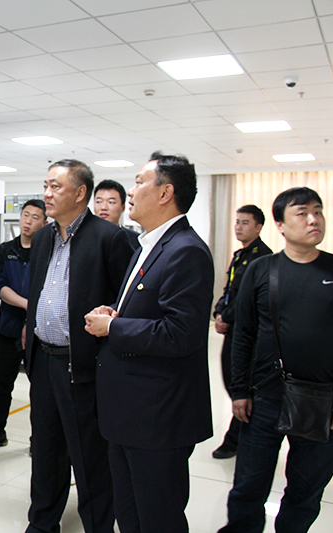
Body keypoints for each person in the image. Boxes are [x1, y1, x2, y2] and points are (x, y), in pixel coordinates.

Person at [85, 152, 214, 533]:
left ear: (165, 193)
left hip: (157, 417)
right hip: (130, 412)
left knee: (158, 517)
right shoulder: (149, 245)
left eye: (140, 181)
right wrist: (115, 313)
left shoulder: (185, 250)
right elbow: (147, 309)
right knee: (130, 515)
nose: (131, 190)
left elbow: (181, 333)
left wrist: (114, 328)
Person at [25, 160, 134, 533]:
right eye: (45, 185)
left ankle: (98, 526)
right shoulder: (43, 238)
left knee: (89, 457)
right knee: (45, 451)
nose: (47, 193)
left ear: (80, 192)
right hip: (43, 362)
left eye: (55, 186)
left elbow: (126, 304)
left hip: (83, 366)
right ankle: (42, 523)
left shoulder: (109, 238)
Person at [219, 187, 333, 533]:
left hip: (323, 401)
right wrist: (240, 391)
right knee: (248, 485)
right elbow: (243, 335)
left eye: (318, 211)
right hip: (264, 398)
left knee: (305, 491)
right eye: (302, 213)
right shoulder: (262, 270)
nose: (313, 219)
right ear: (280, 225)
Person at [0, 199, 46, 453]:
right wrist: (28, 305)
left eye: (35, 217)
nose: (28, 221)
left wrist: (33, 313)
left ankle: (38, 438)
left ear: (45, 223)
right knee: (3, 385)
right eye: (25, 215)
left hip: (39, 333)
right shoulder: (6, 250)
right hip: (9, 329)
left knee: (39, 390)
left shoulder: (47, 252)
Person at [211, 205, 271, 460]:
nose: (238, 227)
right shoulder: (240, 254)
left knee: (242, 384)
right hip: (231, 327)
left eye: (245, 223)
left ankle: (235, 438)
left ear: (258, 227)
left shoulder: (262, 257)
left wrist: (227, 316)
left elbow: (248, 297)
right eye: (237, 222)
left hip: (247, 330)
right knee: (231, 378)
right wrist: (218, 312)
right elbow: (230, 290)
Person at [94, 179, 139, 248]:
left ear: (123, 207)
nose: (103, 207)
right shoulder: (83, 236)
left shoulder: (136, 240)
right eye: (99, 202)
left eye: (111, 202)